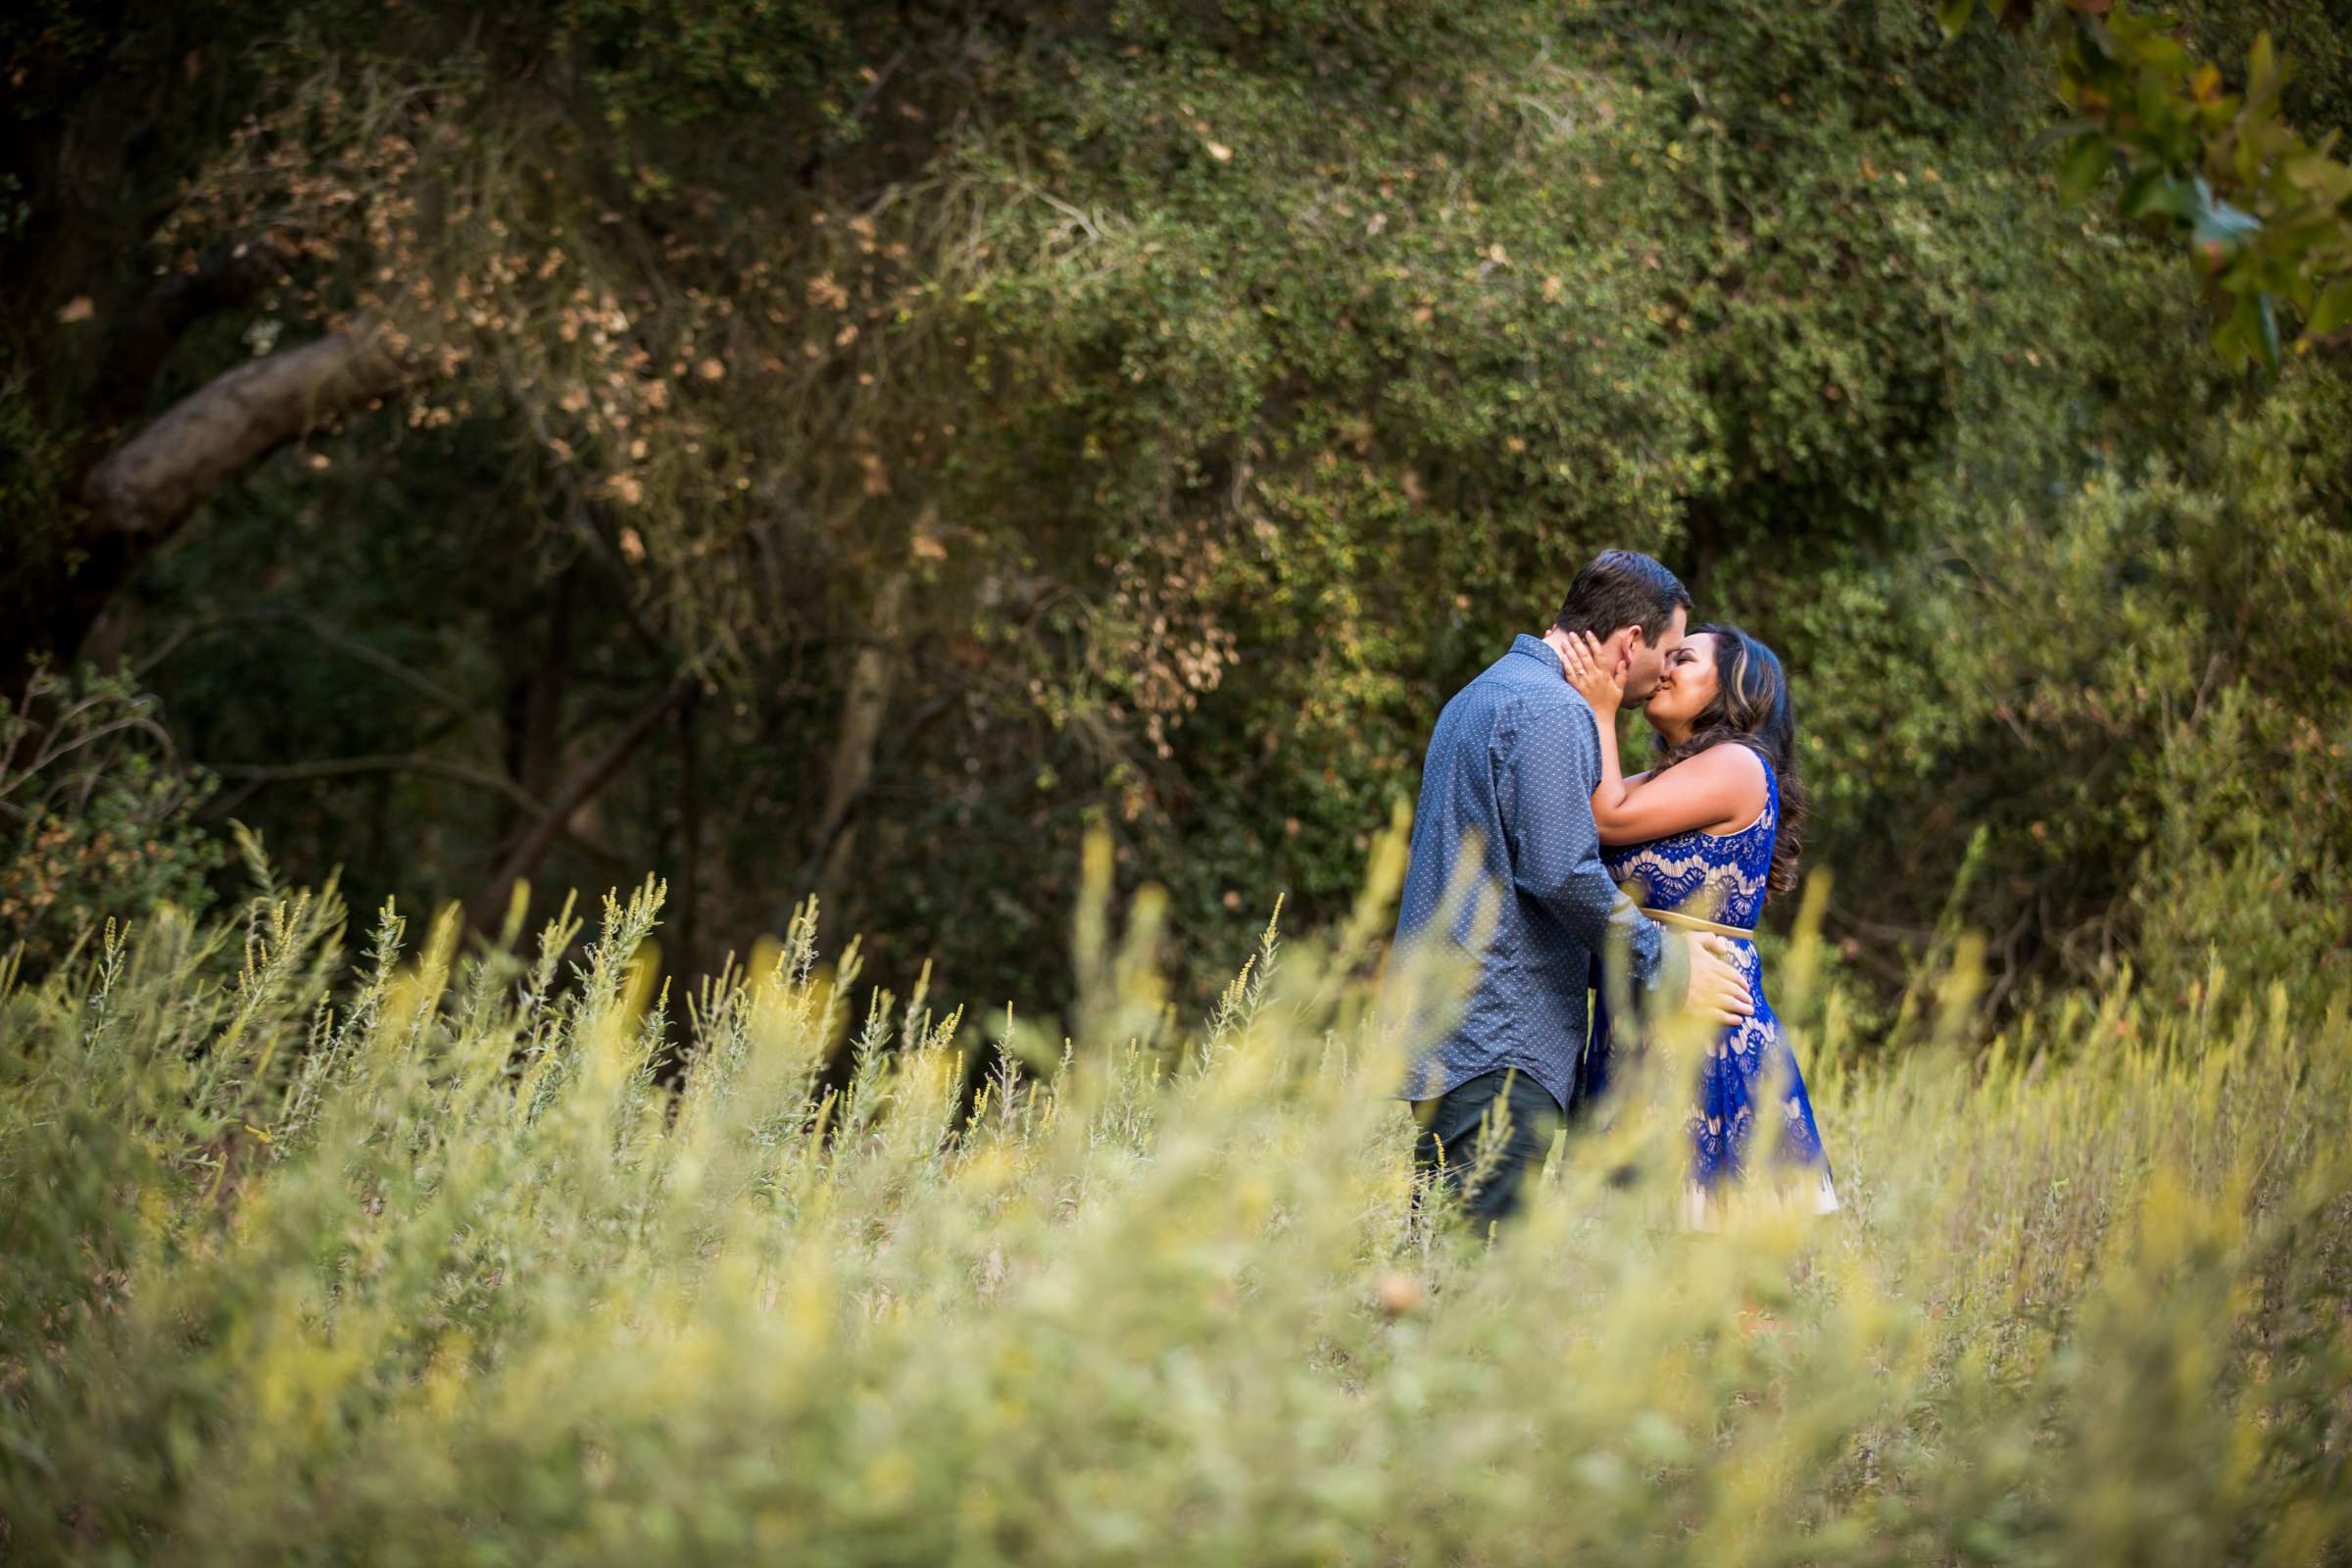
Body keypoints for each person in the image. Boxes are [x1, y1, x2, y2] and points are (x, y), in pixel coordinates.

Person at [1392, 551, 1754, 1227]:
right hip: (1502, 1039)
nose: (1665, 673)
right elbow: (1562, 872)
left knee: (1443, 1266)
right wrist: (1666, 963)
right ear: (1630, 644)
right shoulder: (1552, 711)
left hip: (1457, 1034)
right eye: (1670, 652)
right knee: (1472, 1281)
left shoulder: (1483, 693)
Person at [1556, 620, 1838, 1227]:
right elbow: (1579, 819)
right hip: (1633, 1033)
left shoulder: (1737, 763)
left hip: (1704, 1040)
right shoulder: (1671, 778)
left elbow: (1606, 819)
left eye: (1683, 658)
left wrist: (1602, 707)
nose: (1664, 668)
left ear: (1732, 691)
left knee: (1712, 1280)